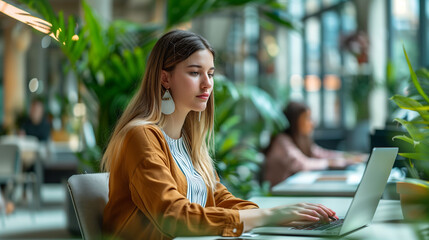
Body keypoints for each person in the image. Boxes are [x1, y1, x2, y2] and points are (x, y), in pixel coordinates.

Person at [101, 30, 338, 240]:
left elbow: (221, 199)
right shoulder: (141, 135)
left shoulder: (189, 142)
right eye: (195, 73)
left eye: (210, 74)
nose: (207, 84)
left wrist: (283, 216)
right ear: (165, 78)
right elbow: (172, 216)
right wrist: (268, 216)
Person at [263, 101, 365, 187]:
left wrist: (350, 157)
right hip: (278, 193)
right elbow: (302, 164)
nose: (312, 122)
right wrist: (332, 163)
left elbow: (322, 154)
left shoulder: (301, 139)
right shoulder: (282, 141)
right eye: (307, 118)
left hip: (294, 188)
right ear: (294, 121)